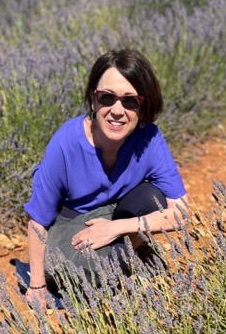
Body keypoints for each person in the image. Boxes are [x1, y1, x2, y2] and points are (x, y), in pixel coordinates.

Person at [23, 48, 188, 307]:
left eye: (130, 100)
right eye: (107, 98)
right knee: (86, 270)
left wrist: (116, 228)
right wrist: (37, 285)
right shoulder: (66, 143)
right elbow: (38, 221)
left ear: (144, 104)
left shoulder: (149, 138)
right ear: (93, 99)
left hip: (113, 219)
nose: (117, 110)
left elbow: (181, 212)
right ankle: (129, 261)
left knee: (151, 197)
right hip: (70, 227)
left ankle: (126, 256)